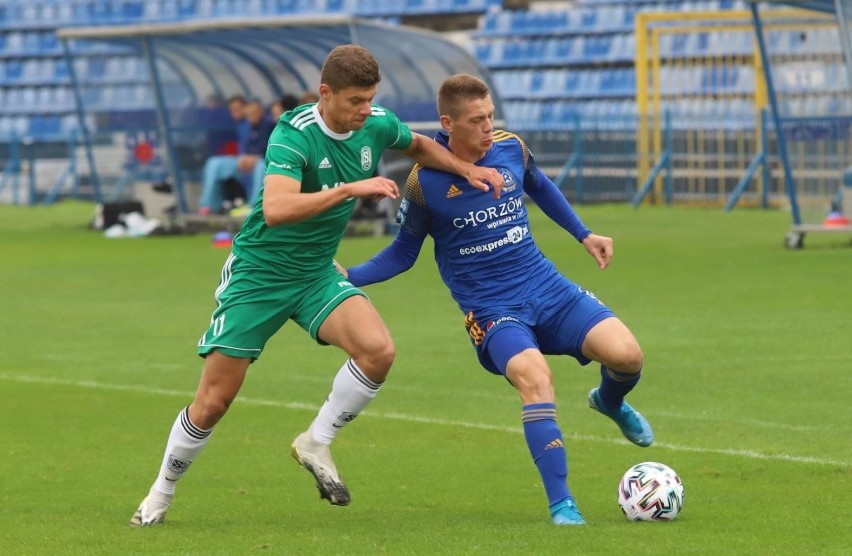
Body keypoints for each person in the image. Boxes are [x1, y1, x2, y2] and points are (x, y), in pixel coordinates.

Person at [130, 46, 504, 526]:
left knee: (378, 351)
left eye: (370, 99)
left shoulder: (373, 123)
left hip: (316, 273)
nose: (364, 111)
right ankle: (160, 494)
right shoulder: (294, 135)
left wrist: (465, 168)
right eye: (354, 101)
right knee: (214, 400)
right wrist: (350, 189)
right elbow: (277, 209)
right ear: (325, 94)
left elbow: (417, 145)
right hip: (260, 275)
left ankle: (316, 441)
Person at [339, 74, 653, 526]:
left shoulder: (511, 147)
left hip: (547, 287)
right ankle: (562, 503)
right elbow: (404, 254)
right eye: (477, 120)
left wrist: (584, 234)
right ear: (448, 124)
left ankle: (609, 402)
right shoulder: (422, 182)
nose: (489, 127)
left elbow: (540, 185)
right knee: (536, 379)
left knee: (628, 356)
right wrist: (352, 276)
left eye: (490, 117)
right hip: (492, 309)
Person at [197, 98, 275, 215]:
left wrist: (256, 157)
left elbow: (271, 148)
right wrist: (242, 157)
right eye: (248, 114)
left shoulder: (269, 125)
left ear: (260, 112)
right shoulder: (245, 126)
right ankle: (208, 204)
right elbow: (243, 148)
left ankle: (254, 205)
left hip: (261, 160)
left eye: (254, 113)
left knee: (261, 166)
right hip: (243, 160)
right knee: (213, 163)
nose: (250, 116)